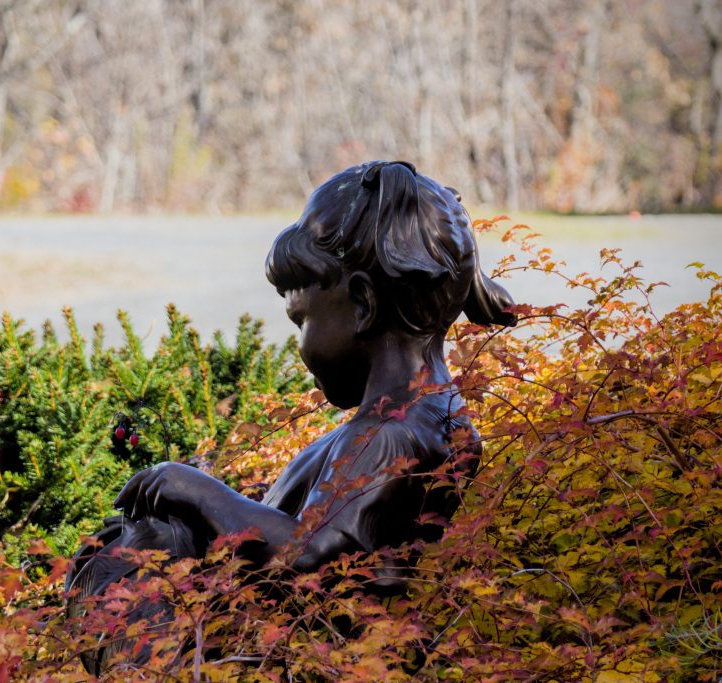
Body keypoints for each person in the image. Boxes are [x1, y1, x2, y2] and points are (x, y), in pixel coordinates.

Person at [65, 160, 515, 667]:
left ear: (363, 304)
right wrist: (227, 504)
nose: (300, 343)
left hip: (288, 657)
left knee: (121, 564)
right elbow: (305, 523)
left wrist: (193, 488)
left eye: (302, 319)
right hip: (286, 643)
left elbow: (310, 557)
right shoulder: (419, 418)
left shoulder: (390, 434)